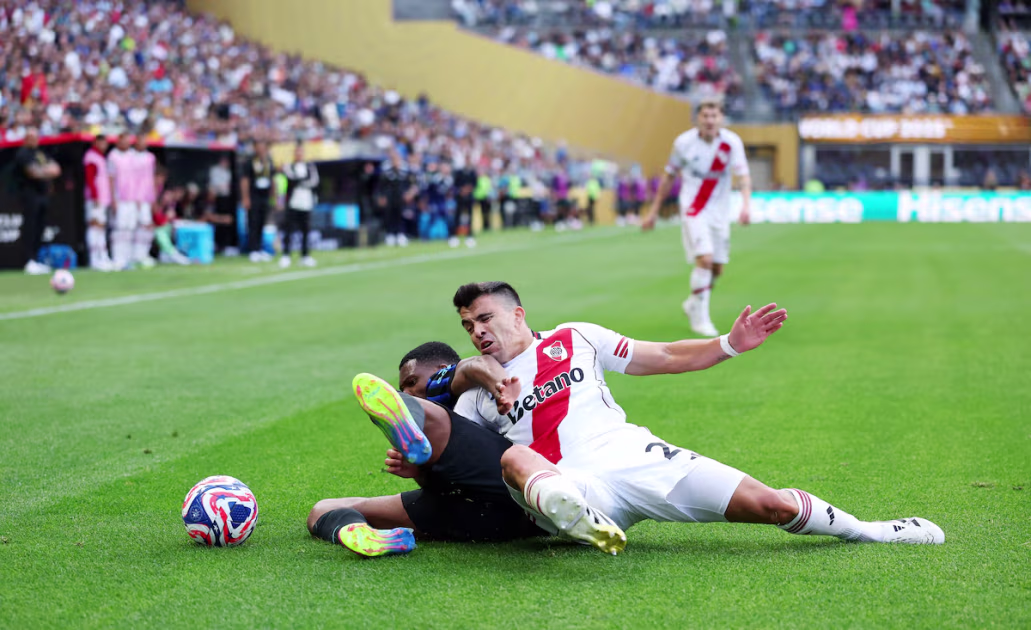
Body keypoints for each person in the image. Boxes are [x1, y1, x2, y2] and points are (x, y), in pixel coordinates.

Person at [430, 281, 944, 555]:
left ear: (517, 314)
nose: (477, 331)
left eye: (485, 318)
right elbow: (466, 460)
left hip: (631, 455)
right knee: (518, 457)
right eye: (469, 325)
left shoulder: (575, 337)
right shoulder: (475, 395)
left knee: (767, 504)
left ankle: (872, 531)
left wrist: (728, 345)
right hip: (568, 479)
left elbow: (667, 355)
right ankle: (578, 518)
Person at [306, 342, 543, 556]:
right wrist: (420, 474)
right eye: (403, 389)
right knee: (322, 510)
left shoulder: (463, 382)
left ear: (442, 370)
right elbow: (447, 490)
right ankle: (371, 536)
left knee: (435, 416)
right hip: (482, 518)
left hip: (520, 492)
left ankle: (406, 411)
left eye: (411, 383)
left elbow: (478, 363)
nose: (409, 391)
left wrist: (501, 385)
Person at [642, 99, 751, 338]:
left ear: (721, 118)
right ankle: (700, 319)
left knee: (717, 268)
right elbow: (668, 177)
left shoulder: (731, 143)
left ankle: (693, 302)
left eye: (714, 116)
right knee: (705, 260)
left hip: (720, 212)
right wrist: (653, 212)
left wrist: (745, 205)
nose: (710, 121)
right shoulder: (683, 143)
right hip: (694, 209)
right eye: (705, 116)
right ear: (697, 119)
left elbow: (743, 175)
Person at [14, 126, 61, 275]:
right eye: (31, 137)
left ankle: (35, 259)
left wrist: (44, 171)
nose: (34, 140)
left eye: (36, 137)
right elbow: (33, 172)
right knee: (30, 228)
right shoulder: (23, 153)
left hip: (43, 195)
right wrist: (47, 171)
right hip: (30, 195)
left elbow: (57, 169)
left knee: (40, 227)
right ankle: (27, 260)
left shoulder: (40, 153)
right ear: (26, 138)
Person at [279, 142, 319, 269]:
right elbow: (291, 178)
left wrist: (301, 181)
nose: (299, 154)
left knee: (305, 229)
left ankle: (305, 255)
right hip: (293, 202)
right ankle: (286, 255)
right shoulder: (290, 166)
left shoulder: (309, 167)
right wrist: (301, 181)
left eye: (301, 152)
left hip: (306, 202)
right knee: (289, 229)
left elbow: (314, 181)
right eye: (297, 152)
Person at [240, 140, 276, 262]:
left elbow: (272, 179)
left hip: (264, 197)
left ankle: (260, 249)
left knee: (262, 223)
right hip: (253, 196)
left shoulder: (268, 161)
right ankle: (253, 250)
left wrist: (274, 197)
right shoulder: (250, 161)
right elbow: (245, 180)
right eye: (259, 147)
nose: (261, 149)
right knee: (253, 223)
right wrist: (245, 197)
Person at [82, 134, 114, 271]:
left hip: (102, 198)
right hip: (95, 199)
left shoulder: (101, 157)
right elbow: (90, 179)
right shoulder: (91, 157)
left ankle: (103, 256)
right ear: (95, 142)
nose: (104, 146)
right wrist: (95, 197)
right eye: (101, 143)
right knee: (94, 227)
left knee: (100, 228)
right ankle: (95, 259)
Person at [107, 132, 136, 270]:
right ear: (118, 141)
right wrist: (113, 198)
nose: (127, 143)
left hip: (132, 198)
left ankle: (127, 258)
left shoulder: (132, 155)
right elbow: (111, 178)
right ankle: (117, 259)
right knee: (119, 229)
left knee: (129, 229)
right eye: (124, 141)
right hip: (120, 198)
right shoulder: (113, 156)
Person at [132, 134, 157, 267]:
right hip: (132, 198)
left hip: (146, 197)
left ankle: (142, 254)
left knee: (147, 226)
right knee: (131, 227)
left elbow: (150, 179)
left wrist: (153, 197)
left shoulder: (150, 157)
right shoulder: (131, 157)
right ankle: (132, 255)